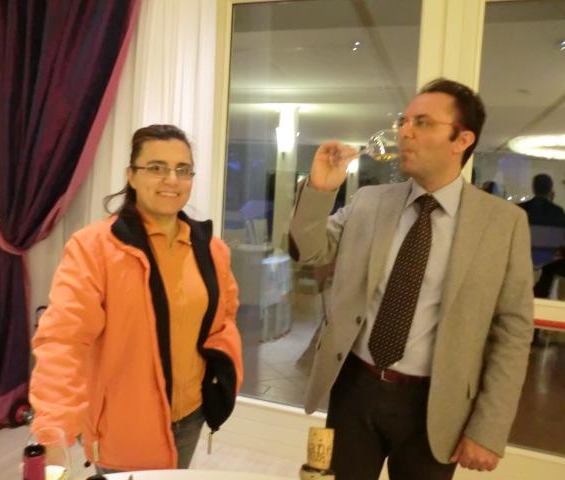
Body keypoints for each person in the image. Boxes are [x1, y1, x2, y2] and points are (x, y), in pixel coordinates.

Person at [289, 78, 534, 480]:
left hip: (437, 404)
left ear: (462, 140)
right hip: (355, 387)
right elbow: (309, 251)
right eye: (403, 121)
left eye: (422, 123)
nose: (405, 131)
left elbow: (513, 330)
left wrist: (488, 428)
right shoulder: (370, 201)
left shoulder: (503, 223)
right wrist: (318, 190)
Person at [29, 124, 243, 474]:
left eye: (183, 169)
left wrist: (225, 375)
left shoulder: (211, 250)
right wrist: (55, 427)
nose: (171, 179)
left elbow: (224, 318)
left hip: (191, 415)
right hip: (123, 424)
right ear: (132, 175)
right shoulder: (94, 248)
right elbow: (63, 339)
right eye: (156, 167)